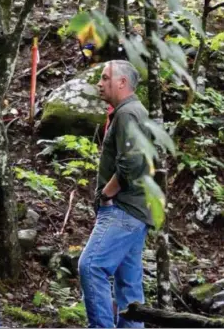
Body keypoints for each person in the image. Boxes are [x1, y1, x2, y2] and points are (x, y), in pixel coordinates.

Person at [78, 60, 153, 328]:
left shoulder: (128, 113)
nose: (99, 83)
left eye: (105, 77)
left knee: (91, 266)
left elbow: (132, 163)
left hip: (123, 209)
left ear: (122, 83)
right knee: (129, 289)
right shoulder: (130, 112)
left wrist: (106, 195)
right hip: (136, 211)